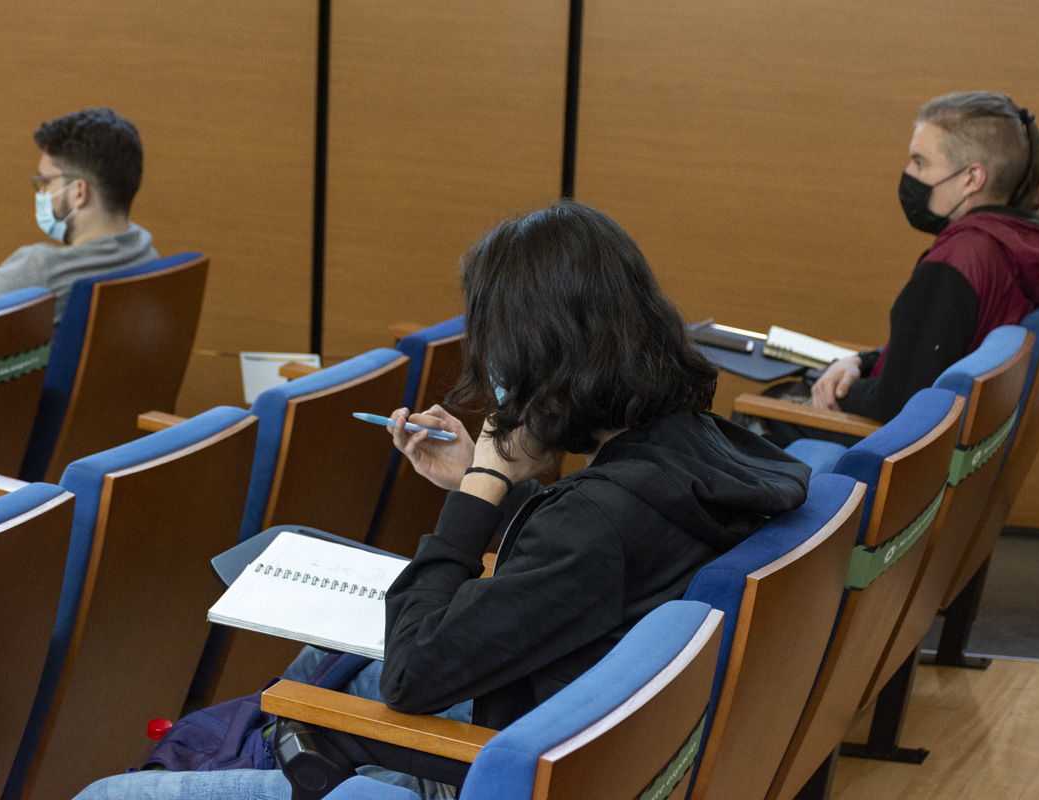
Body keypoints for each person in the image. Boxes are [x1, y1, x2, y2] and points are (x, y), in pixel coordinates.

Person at [72, 200, 810, 800]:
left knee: (107, 794)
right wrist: (479, 480)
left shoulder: (599, 520)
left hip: (489, 759)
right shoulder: (705, 450)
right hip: (582, 733)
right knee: (319, 668)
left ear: (539, 361)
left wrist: (485, 488)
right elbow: (584, 579)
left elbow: (414, 674)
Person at [770, 92, 1039, 445]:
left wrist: (832, 386)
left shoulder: (955, 264)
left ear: (971, 178)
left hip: (896, 449)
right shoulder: (1017, 243)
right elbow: (934, 350)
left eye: (920, 163)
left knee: (765, 410)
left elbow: (895, 407)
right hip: (945, 444)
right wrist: (858, 362)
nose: (909, 175)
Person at [0, 107, 158, 324]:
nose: (41, 192)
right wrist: (1, 292)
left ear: (78, 192)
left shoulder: (40, 269)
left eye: (45, 182)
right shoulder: (147, 253)